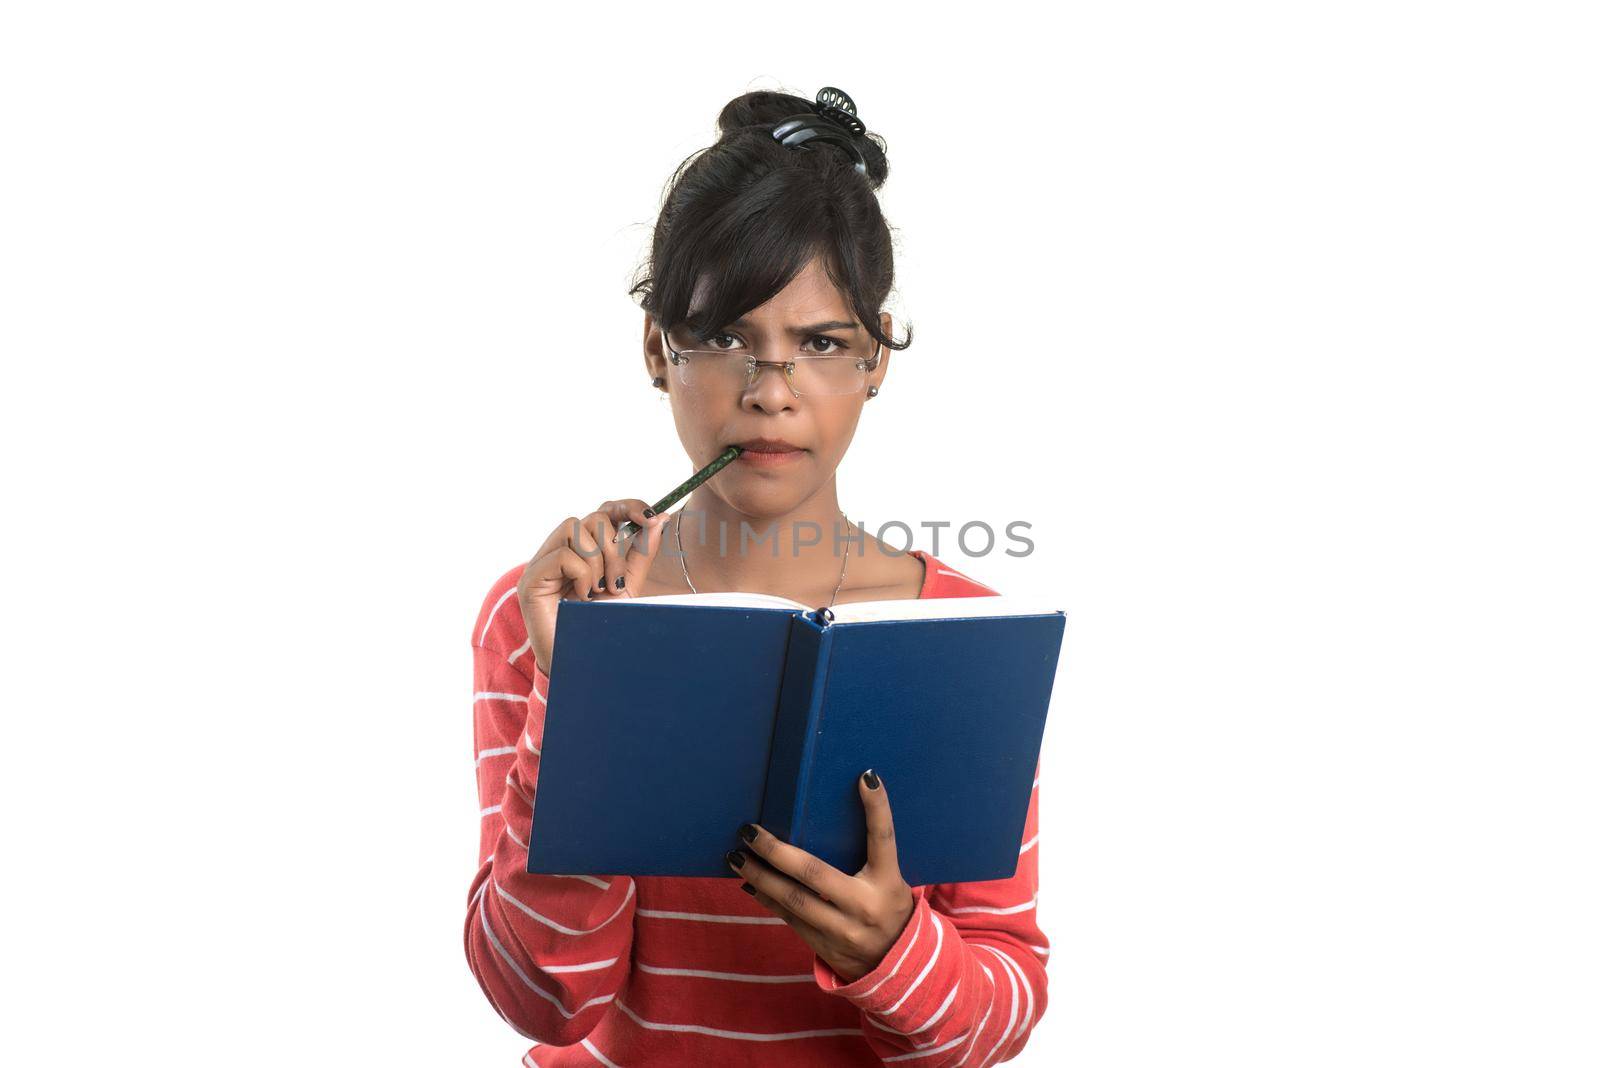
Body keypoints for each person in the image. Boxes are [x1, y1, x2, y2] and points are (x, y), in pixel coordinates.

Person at [466, 86, 1049, 1066]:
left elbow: (1004, 1008)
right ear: (657, 347)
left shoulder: (962, 632)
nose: (770, 391)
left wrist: (893, 950)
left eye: (820, 344)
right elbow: (542, 1001)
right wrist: (585, 701)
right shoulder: (550, 614)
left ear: (878, 362)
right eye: (727, 337)